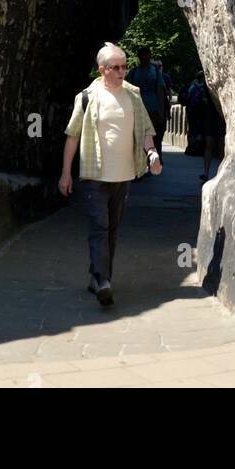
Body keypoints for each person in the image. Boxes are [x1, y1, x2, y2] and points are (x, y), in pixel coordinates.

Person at [59, 42, 161, 307]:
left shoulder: (134, 96)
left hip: (124, 175)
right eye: (116, 67)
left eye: (125, 66)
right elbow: (72, 136)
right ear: (102, 70)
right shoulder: (86, 97)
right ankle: (103, 280)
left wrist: (152, 154)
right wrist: (65, 174)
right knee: (100, 226)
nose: (122, 72)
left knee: (112, 229)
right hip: (94, 175)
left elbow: (145, 130)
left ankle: (99, 278)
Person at [127, 46, 168, 164]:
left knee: (153, 137)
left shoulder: (155, 71)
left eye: (147, 55)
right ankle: (141, 163)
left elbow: (161, 90)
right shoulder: (134, 72)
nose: (145, 58)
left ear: (150, 56)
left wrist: (162, 111)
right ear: (139, 57)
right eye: (142, 55)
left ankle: (153, 161)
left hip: (153, 110)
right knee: (138, 137)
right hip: (137, 110)